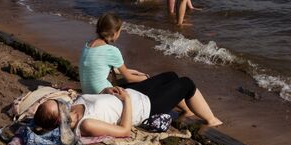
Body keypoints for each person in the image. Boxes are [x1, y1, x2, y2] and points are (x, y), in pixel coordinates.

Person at [78, 12, 207, 122]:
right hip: (108, 96)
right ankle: (188, 109)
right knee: (165, 80)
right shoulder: (111, 50)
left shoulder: (88, 45)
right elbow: (128, 78)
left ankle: (186, 110)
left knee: (171, 76)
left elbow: (110, 69)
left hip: (92, 92)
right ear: (115, 32)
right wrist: (146, 78)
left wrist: (136, 73)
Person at [33, 78, 222, 139]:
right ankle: (211, 120)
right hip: (145, 107)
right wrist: (127, 101)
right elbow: (124, 131)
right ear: (60, 119)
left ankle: (187, 110)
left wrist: (106, 90)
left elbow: (100, 101)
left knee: (171, 75)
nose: (61, 103)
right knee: (186, 83)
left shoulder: (73, 107)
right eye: (58, 107)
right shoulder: (86, 124)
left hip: (131, 93)